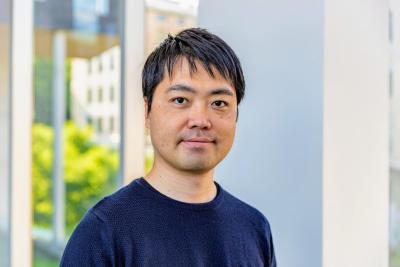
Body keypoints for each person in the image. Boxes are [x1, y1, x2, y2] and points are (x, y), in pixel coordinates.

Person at [60, 27, 276, 267]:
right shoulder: (105, 232)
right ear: (147, 111)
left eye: (219, 103)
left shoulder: (254, 228)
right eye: (180, 100)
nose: (201, 120)